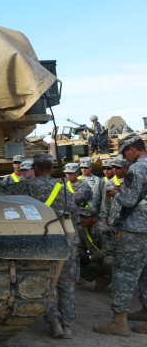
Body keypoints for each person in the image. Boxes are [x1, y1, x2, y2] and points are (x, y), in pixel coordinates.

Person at [94, 133, 147, 336]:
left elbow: (128, 200)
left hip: (136, 230)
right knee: (146, 273)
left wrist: (115, 193)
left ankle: (119, 322)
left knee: (124, 272)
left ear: (133, 149)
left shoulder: (137, 168)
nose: (125, 158)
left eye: (125, 152)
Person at [26, 153, 79, 339]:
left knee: (47, 281)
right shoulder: (63, 187)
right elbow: (74, 213)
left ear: (36, 168)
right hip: (68, 239)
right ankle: (68, 325)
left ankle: (53, 321)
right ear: (50, 168)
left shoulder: (29, 185)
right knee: (67, 283)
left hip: (43, 239)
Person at [77, 206, 114, 291]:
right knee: (76, 258)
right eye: (81, 217)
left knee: (108, 261)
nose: (82, 219)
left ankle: (118, 286)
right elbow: (80, 246)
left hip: (108, 258)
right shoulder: (82, 228)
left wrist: (91, 257)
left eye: (85, 217)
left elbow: (109, 250)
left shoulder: (102, 230)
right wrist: (82, 256)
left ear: (94, 218)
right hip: (96, 259)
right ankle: (102, 278)